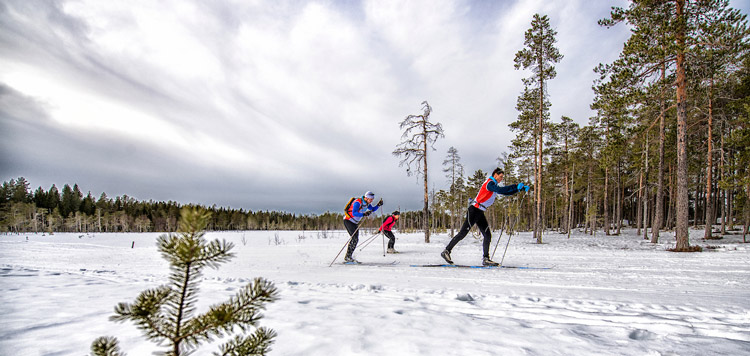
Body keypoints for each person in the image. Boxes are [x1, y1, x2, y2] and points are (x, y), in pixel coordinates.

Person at [441, 168, 530, 266]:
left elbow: (505, 192)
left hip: (480, 212)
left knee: (487, 235)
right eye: (500, 177)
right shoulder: (490, 183)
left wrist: (518, 189)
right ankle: (446, 251)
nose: (501, 179)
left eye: (502, 177)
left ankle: (486, 259)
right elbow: (500, 190)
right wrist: (516, 186)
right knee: (463, 233)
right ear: (495, 174)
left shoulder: (493, 185)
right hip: (474, 210)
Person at [344, 191, 383, 263]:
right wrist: (364, 214)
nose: (372, 201)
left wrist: (378, 205)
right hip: (348, 221)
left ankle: (349, 256)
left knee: (355, 239)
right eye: (371, 199)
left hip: (355, 223)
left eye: (372, 199)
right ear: (366, 198)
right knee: (354, 238)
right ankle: (348, 257)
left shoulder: (367, 204)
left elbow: (373, 209)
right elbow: (354, 213)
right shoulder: (357, 202)